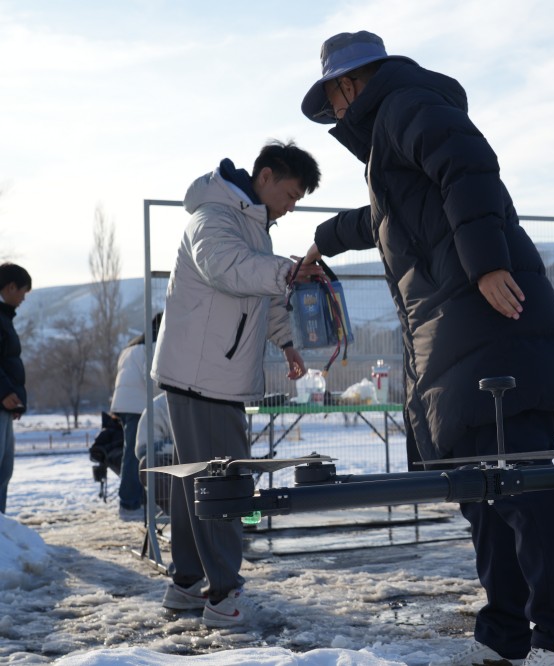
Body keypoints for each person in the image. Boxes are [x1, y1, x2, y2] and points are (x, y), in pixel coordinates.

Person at [300, 32, 554, 666]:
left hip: (489, 333)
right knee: (482, 494)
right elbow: (383, 214)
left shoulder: (411, 104)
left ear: (351, 85)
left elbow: (466, 164)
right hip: (448, 342)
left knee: (523, 488)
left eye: (334, 100)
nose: (337, 115)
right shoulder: (388, 143)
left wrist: (487, 264)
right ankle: (506, 635)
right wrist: (324, 239)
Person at [151, 140, 323, 628]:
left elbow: (261, 297)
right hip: (205, 378)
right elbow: (227, 270)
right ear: (265, 177)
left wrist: (287, 342)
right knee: (224, 486)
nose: (291, 207)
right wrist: (287, 270)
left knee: (197, 485)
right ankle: (224, 595)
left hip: (208, 375)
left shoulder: (253, 226)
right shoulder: (215, 218)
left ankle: (186, 584)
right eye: (290, 194)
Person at [110, 312, 162, 522]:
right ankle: (130, 504)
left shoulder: (132, 345)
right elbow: (151, 378)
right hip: (137, 405)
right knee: (136, 455)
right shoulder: (152, 346)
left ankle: (135, 501)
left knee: (132, 454)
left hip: (124, 404)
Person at [0, 263, 30, 514]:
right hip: (1, 401)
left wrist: (16, 399)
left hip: (5, 405)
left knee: (4, 469)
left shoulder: (4, 318)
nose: (23, 298)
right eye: (23, 291)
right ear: (10, 287)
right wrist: (5, 393)